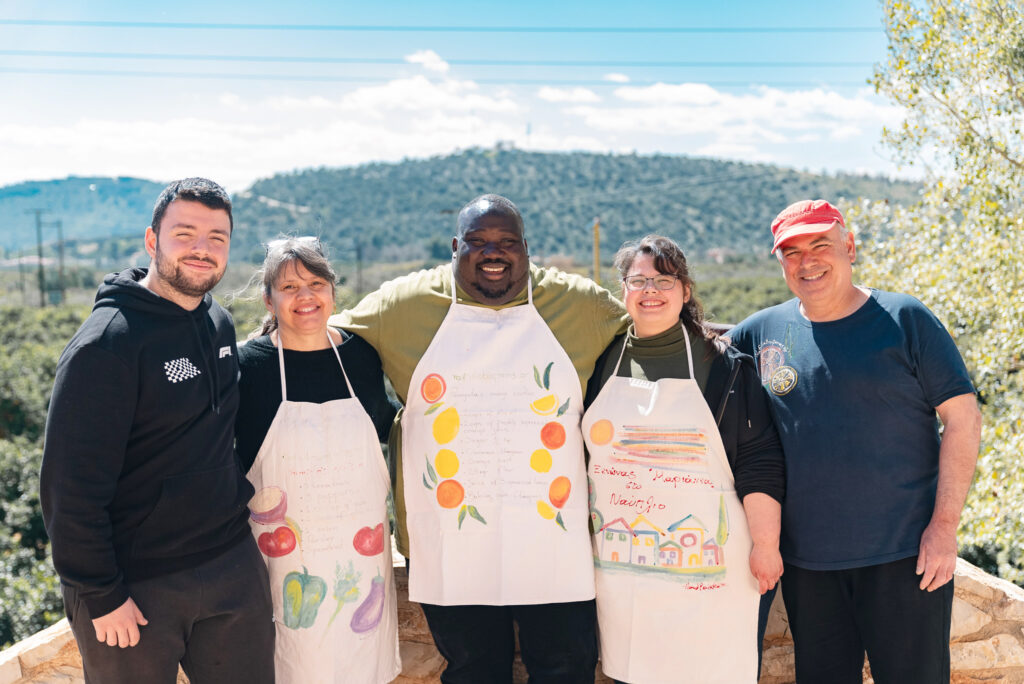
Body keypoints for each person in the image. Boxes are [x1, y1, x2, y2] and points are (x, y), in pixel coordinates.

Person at [329, 194, 628, 683]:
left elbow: (655, 329)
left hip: (553, 541)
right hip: (452, 538)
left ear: (526, 249)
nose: (494, 252)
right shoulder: (402, 304)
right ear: (454, 247)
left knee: (566, 668)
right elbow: (319, 337)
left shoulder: (581, 305)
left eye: (507, 242)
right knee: (473, 671)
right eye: (477, 241)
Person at [728, 199, 982, 684]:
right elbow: (697, 369)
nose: (808, 260)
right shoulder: (760, 334)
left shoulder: (905, 319)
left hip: (907, 559)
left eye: (820, 244)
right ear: (780, 262)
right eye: (792, 251)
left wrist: (944, 526)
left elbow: (964, 420)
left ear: (850, 247)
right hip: (807, 566)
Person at [40, 178, 275, 684]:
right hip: (136, 587)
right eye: (185, 233)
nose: (202, 249)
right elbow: (68, 491)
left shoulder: (218, 322)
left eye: (217, 238)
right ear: (152, 241)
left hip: (230, 565)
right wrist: (102, 595)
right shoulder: (106, 347)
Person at [583, 235, 784, 683]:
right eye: (638, 280)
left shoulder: (725, 365)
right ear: (623, 290)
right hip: (624, 565)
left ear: (686, 290)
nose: (650, 290)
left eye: (664, 280)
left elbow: (759, 460)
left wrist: (767, 546)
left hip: (710, 568)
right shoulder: (598, 362)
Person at [235, 236, 401, 683]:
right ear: (269, 300)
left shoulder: (361, 357)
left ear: (332, 291)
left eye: (315, 283)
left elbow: (392, 428)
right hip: (283, 567)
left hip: (362, 565)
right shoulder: (247, 368)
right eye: (289, 288)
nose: (304, 296)